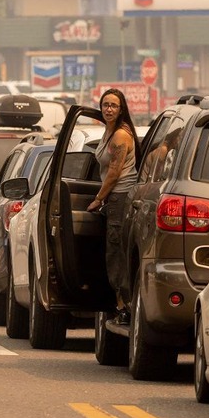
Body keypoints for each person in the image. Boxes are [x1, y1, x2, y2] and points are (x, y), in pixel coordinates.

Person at [86, 88, 139, 325]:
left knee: (116, 253)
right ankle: (119, 302)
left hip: (120, 196)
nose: (109, 109)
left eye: (113, 106)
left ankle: (124, 305)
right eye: (105, 105)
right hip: (114, 198)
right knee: (112, 252)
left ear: (121, 109)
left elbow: (115, 172)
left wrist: (99, 198)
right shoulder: (108, 132)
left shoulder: (120, 135)